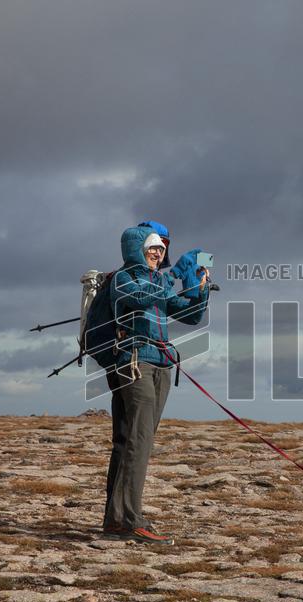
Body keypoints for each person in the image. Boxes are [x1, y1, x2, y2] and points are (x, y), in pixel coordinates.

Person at [102, 224, 210, 545]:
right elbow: (140, 297)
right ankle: (130, 519)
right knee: (139, 439)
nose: (157, 254)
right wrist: (172, 276)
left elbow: (188, 315)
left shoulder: (158, 280)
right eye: (152, 249)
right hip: (135, 362)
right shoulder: (123, 279)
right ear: (136, 249)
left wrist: (199, 290)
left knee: (134, 439)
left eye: (161, 250)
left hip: (162, 364)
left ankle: (116, 519)